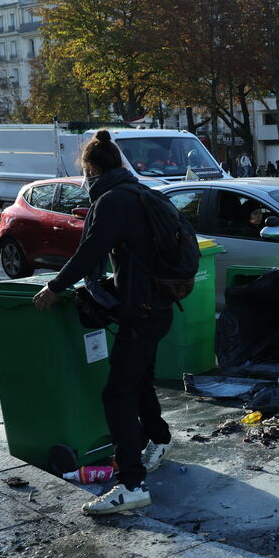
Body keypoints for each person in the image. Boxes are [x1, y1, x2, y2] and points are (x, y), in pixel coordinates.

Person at [32, 131, 174, 516]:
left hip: (141, 307)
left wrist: (53, 286)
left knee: (117, 394)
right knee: (139, 378)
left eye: (85, 171)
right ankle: (159, 439)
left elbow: (88, 252)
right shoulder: (140, 192)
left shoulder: (113, 201)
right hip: (159, 304)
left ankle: (131, 484)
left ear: (91, 168)